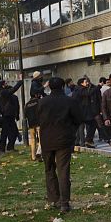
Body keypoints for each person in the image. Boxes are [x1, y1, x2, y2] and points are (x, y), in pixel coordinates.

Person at [37, 77, 84, 212]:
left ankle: (54, 198)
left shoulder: (42, 102)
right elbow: (79, 118)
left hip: (47, 139)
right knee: (63, 170)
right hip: (64, 139)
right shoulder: (69, 101)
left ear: (49, 87)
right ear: (63, 86)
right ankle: (64, 202)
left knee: (49, 169)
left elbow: (38, 119)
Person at [73, 77, 101, 148]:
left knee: (84, 127)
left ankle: (86, 141)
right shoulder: (80, 89)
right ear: (81, 83)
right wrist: (98, 87)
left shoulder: (78, 89)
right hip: (82, 113)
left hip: (82, 112)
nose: (87, 83)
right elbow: (88, 93)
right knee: (92, 124)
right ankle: (86, 141)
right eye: (86, 82)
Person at [0, 79, 23, 154]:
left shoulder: (8, 95)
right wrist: (20, 81)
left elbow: (16, 106)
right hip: (6, 115)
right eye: (5, 83)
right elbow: (14, 89)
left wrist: (17, 115)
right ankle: (4, 149)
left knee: (12, 132)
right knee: (6, 132)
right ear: (3, 85)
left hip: (9, 115)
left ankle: (8, 147)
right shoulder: (3, 92)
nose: (7, 84)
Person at [27, 71, 45, 161]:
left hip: (31, 124)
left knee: (33, 140)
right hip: (38, 123)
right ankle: (39, 152)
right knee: (41, 138)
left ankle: (33, 156)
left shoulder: (28, 104)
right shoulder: (39, 102)